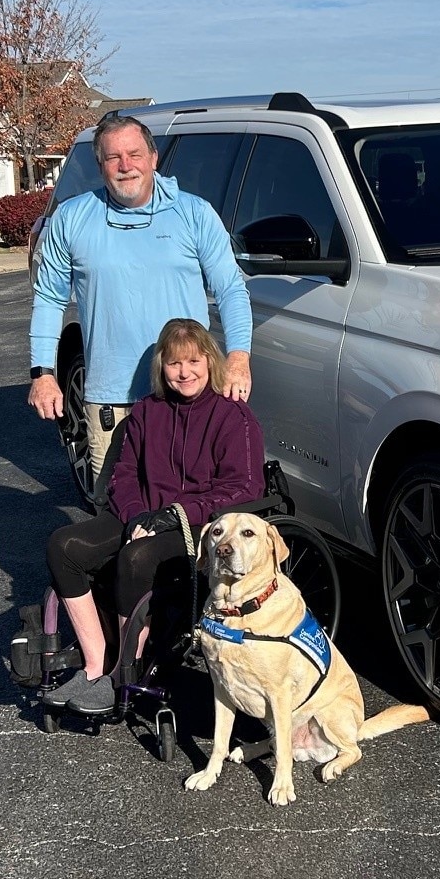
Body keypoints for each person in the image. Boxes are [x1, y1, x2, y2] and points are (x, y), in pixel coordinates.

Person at [27, 110, 253, 499]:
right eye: (114, 158)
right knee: (115, 517)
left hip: (185, 396)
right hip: (111, 400)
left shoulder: (193, 213)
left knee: (191, 515)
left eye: (134, 154)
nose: (125, 166)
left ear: (153, 158)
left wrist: (238, 357)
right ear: (100, 166)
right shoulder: (72, 218)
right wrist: (43, 373)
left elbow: (231, 288)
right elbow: (49, 298)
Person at [43, 318, 263, 714]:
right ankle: (97, 665)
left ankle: (126, 670)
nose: (185, 372)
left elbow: (244, 488)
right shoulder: (147, 412)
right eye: (174, 364)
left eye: (194, 361)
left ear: (210, 363)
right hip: (141, 513)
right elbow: (124, 475)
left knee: (136, 557)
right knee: (64, 546)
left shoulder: (232, 416)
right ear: (162, 367)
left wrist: (173, 514)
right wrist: (137, 518)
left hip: (198, 524)